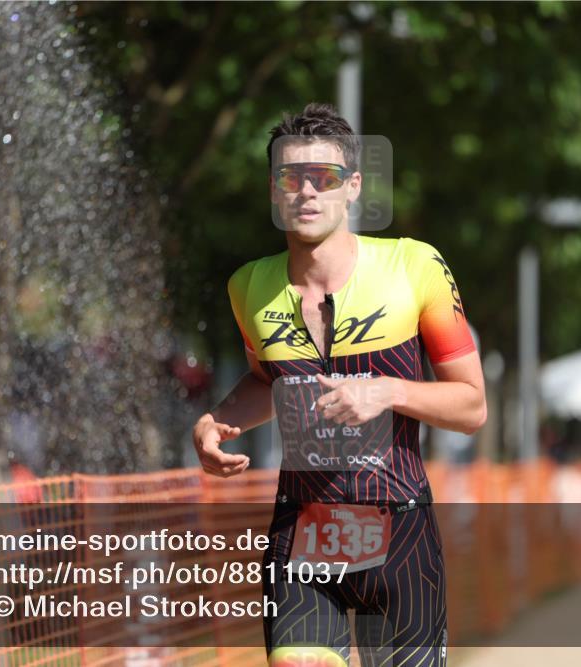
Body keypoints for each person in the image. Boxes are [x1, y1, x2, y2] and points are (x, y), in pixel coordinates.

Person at [192, 103, 486, 667]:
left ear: (352, 186)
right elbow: (267, 381)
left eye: (323, 177)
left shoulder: (415, 267)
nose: (306, 192)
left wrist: (389, 391)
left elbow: (471, 406)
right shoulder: (248, 286)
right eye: (289, 178)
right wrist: (217, 421)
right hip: (302, 536)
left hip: (399, 536)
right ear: (274, 190)